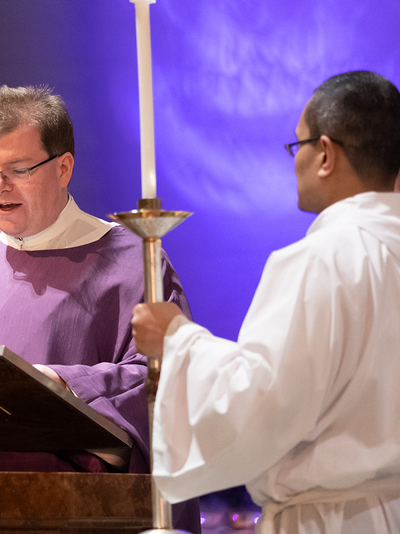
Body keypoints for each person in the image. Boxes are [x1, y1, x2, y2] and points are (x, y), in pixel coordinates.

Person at [0, 85, 198, 530]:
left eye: (17, 170)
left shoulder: (132, 262)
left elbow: (167, 382)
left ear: (63, 168)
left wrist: (63, 384)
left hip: (68, 510)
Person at [132, 70, 400, 534]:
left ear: (326, 154)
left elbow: (260, 404)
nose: (294, 161)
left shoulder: (320, 259)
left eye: (299, 145)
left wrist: (176, 338)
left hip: (330, 519)